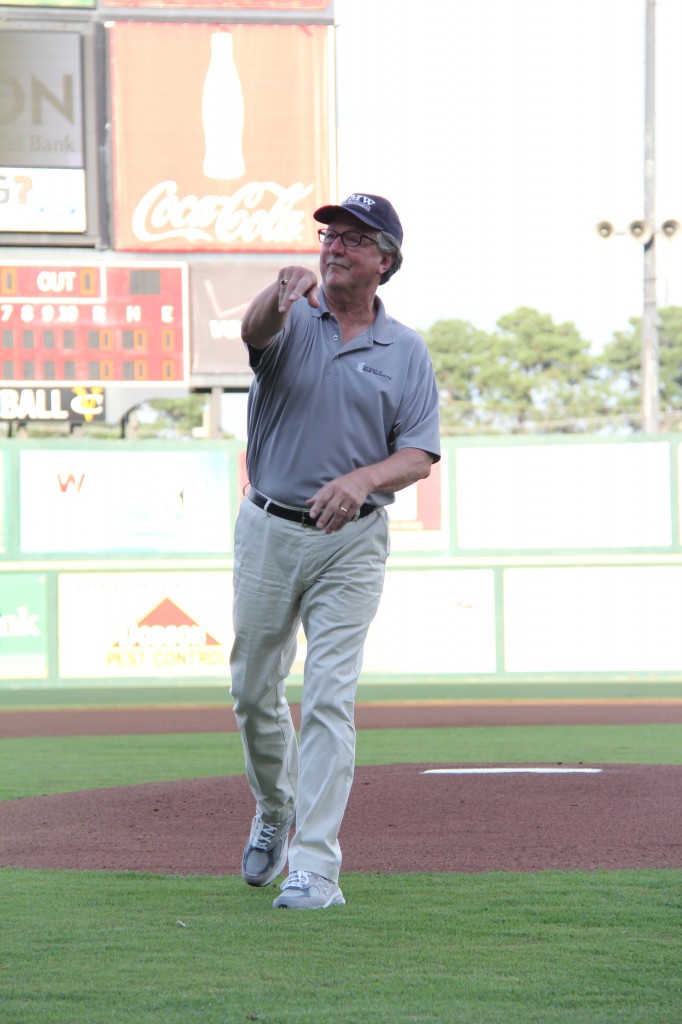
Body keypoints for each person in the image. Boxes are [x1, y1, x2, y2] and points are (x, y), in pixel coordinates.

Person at [230, 192, 440, 910]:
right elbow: (253, 334)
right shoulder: (292, 317)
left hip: (350, 544)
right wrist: (276, 295)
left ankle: (315, 867)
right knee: (254, 691)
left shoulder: (404, 350)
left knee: (327, 697)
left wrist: (361, 479)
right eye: (329, 236)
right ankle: (275, 808)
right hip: (268, 525)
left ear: (385, 261)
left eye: (354, 239)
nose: (334, 247)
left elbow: (417, 454)